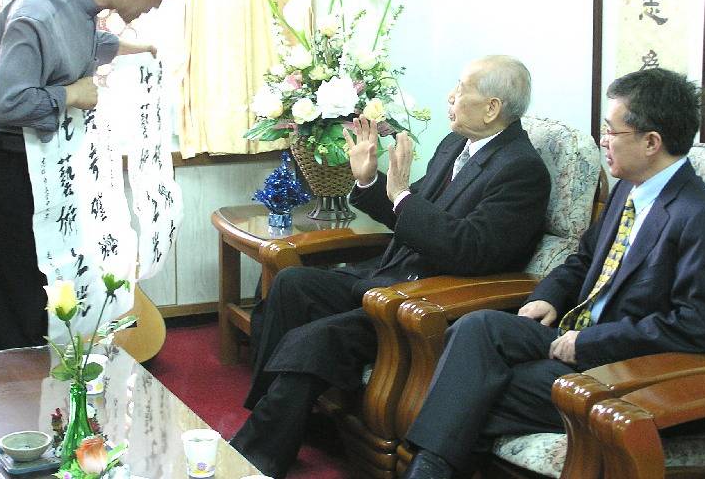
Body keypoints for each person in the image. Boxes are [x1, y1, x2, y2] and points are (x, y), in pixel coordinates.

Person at [231, 55, 552, 478]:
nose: (450, 97)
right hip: (389, 275)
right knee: (291, 284)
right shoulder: (455, 145)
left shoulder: (521, 170)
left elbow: (470, 249)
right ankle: (282, 422)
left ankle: (258, 455)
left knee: (319, 337)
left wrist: (401, 195)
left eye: (461, 89)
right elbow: (410, 212)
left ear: (492, 108)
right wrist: (368, 179)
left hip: (426, 301)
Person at [401, 68, 705, 479]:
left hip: (632, 371)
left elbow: (700, 326)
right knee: (477, 328)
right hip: (576, 336)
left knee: (472, 388)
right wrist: (548, 295)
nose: (603, 141)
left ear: (651, 142)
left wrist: (590, 343)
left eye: (611, 131)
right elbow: (583, 258)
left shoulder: (700, 216)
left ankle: (426, 471)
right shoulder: (630, 188)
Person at [0, 0, 190, 352]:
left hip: (34, 173)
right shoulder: (38, 13)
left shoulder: (81, 8)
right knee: (12, 319)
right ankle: (14, 396)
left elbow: (82, 42)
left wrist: (133, 49)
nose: (157, 6)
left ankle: (50, 392)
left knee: (49, 310)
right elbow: (5, 103)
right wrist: (71, 95)